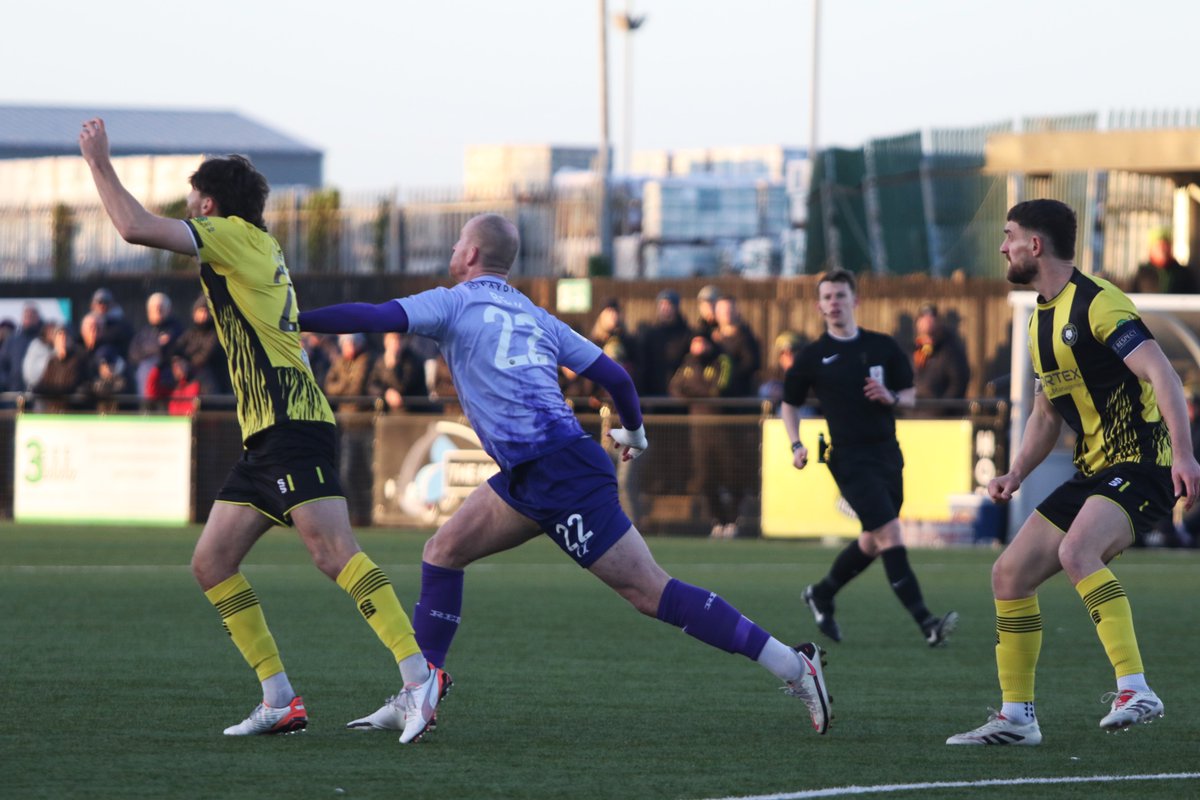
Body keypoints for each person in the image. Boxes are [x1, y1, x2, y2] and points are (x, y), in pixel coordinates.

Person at [298, 213, 834, 736]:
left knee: (651, 593)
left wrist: (293, 318)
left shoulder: (453, 301)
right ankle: (421, 692)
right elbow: (617, 379)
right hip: (534, 473)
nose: (453, 252)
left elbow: (371, 316)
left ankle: (794, 665)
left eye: (459, 243)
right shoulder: (537, 315)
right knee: (443, 551)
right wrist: (636, 434)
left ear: (472, 255)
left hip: (561, 472)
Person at [78, 117, 443, 744]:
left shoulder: (231, 237)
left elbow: (134, 227)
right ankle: (279, 699)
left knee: (334, 555)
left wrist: (100, 163)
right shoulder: (254, 245)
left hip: (292, 425)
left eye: (195, 200)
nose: (190, 211)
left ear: (211, 204)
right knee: (212, 562)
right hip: (268, 436)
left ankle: (420, 680)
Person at [946, 200, 1200, 746]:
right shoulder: (1040, 319)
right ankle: (1017, 717)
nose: (1002, 247)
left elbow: (1163, 374)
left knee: (1076, 551)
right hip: (1095, 473)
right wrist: (1015, 471)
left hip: (1143, 464)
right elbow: (1045, 413)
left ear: (1034, 246)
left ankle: (1136, 688)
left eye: (1009, 235)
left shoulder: (1099, 304)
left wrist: (1183, 454)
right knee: (1008, 575)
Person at [781, 269, 958, 647]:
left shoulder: (882, 346)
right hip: (847, 458)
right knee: (890, 533)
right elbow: (789, 405)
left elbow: (909, 394)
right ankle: (927, 622)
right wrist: (796, 445)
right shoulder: (813, 356)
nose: (833, 303)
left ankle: (822, 593)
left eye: (840, 295)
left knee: (874, 539)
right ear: (819, 306)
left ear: (855, 301)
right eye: (827, 297)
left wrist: (890, 398)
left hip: (887, 453)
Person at [668, 334, 736, 537]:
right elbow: (675, 388)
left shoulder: (720, 362)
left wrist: (693, 387)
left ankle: (733, 520)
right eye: (694, 342)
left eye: (702, 342)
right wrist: (697, 389)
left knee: (729, 475)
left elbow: (717, 389)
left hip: (721, 429)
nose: (698, 347)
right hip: (698, 430)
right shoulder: (688, 364)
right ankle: (718, 519)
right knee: (704, 477)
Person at [912, 303, 970, 417]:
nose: (927, 323)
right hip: (911, 416)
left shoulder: (951, 350)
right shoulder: (911, 350)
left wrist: (941, 408)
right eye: (923, 319)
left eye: (931, 319)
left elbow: (958, 383)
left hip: (941, 419)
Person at [128, 292, 183, 402]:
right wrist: (157, 345)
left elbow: (175, 351)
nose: (158, 311)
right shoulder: (143, 332)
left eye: (161, 307)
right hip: (145, 377)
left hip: (166, 377)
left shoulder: (176, 329)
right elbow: (133, 353)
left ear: (168, 310)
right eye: (154, 308)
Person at [367, 331, 429, 412]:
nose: (395, 344)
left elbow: (401, 387)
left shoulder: (412, 361)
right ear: (385, 341)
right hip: (388, 410)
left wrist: (393, 366)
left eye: (398, 339)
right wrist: (385, 393)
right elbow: (372, 385)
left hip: (411, 412)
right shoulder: (380, 361)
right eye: (391, 339)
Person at [1131, 227, 1198, 294]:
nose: (1163, 251)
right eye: (1159, 246)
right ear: (1151, 249)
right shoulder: (1142, 274)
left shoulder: (1183, 273)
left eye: (1166, 246)